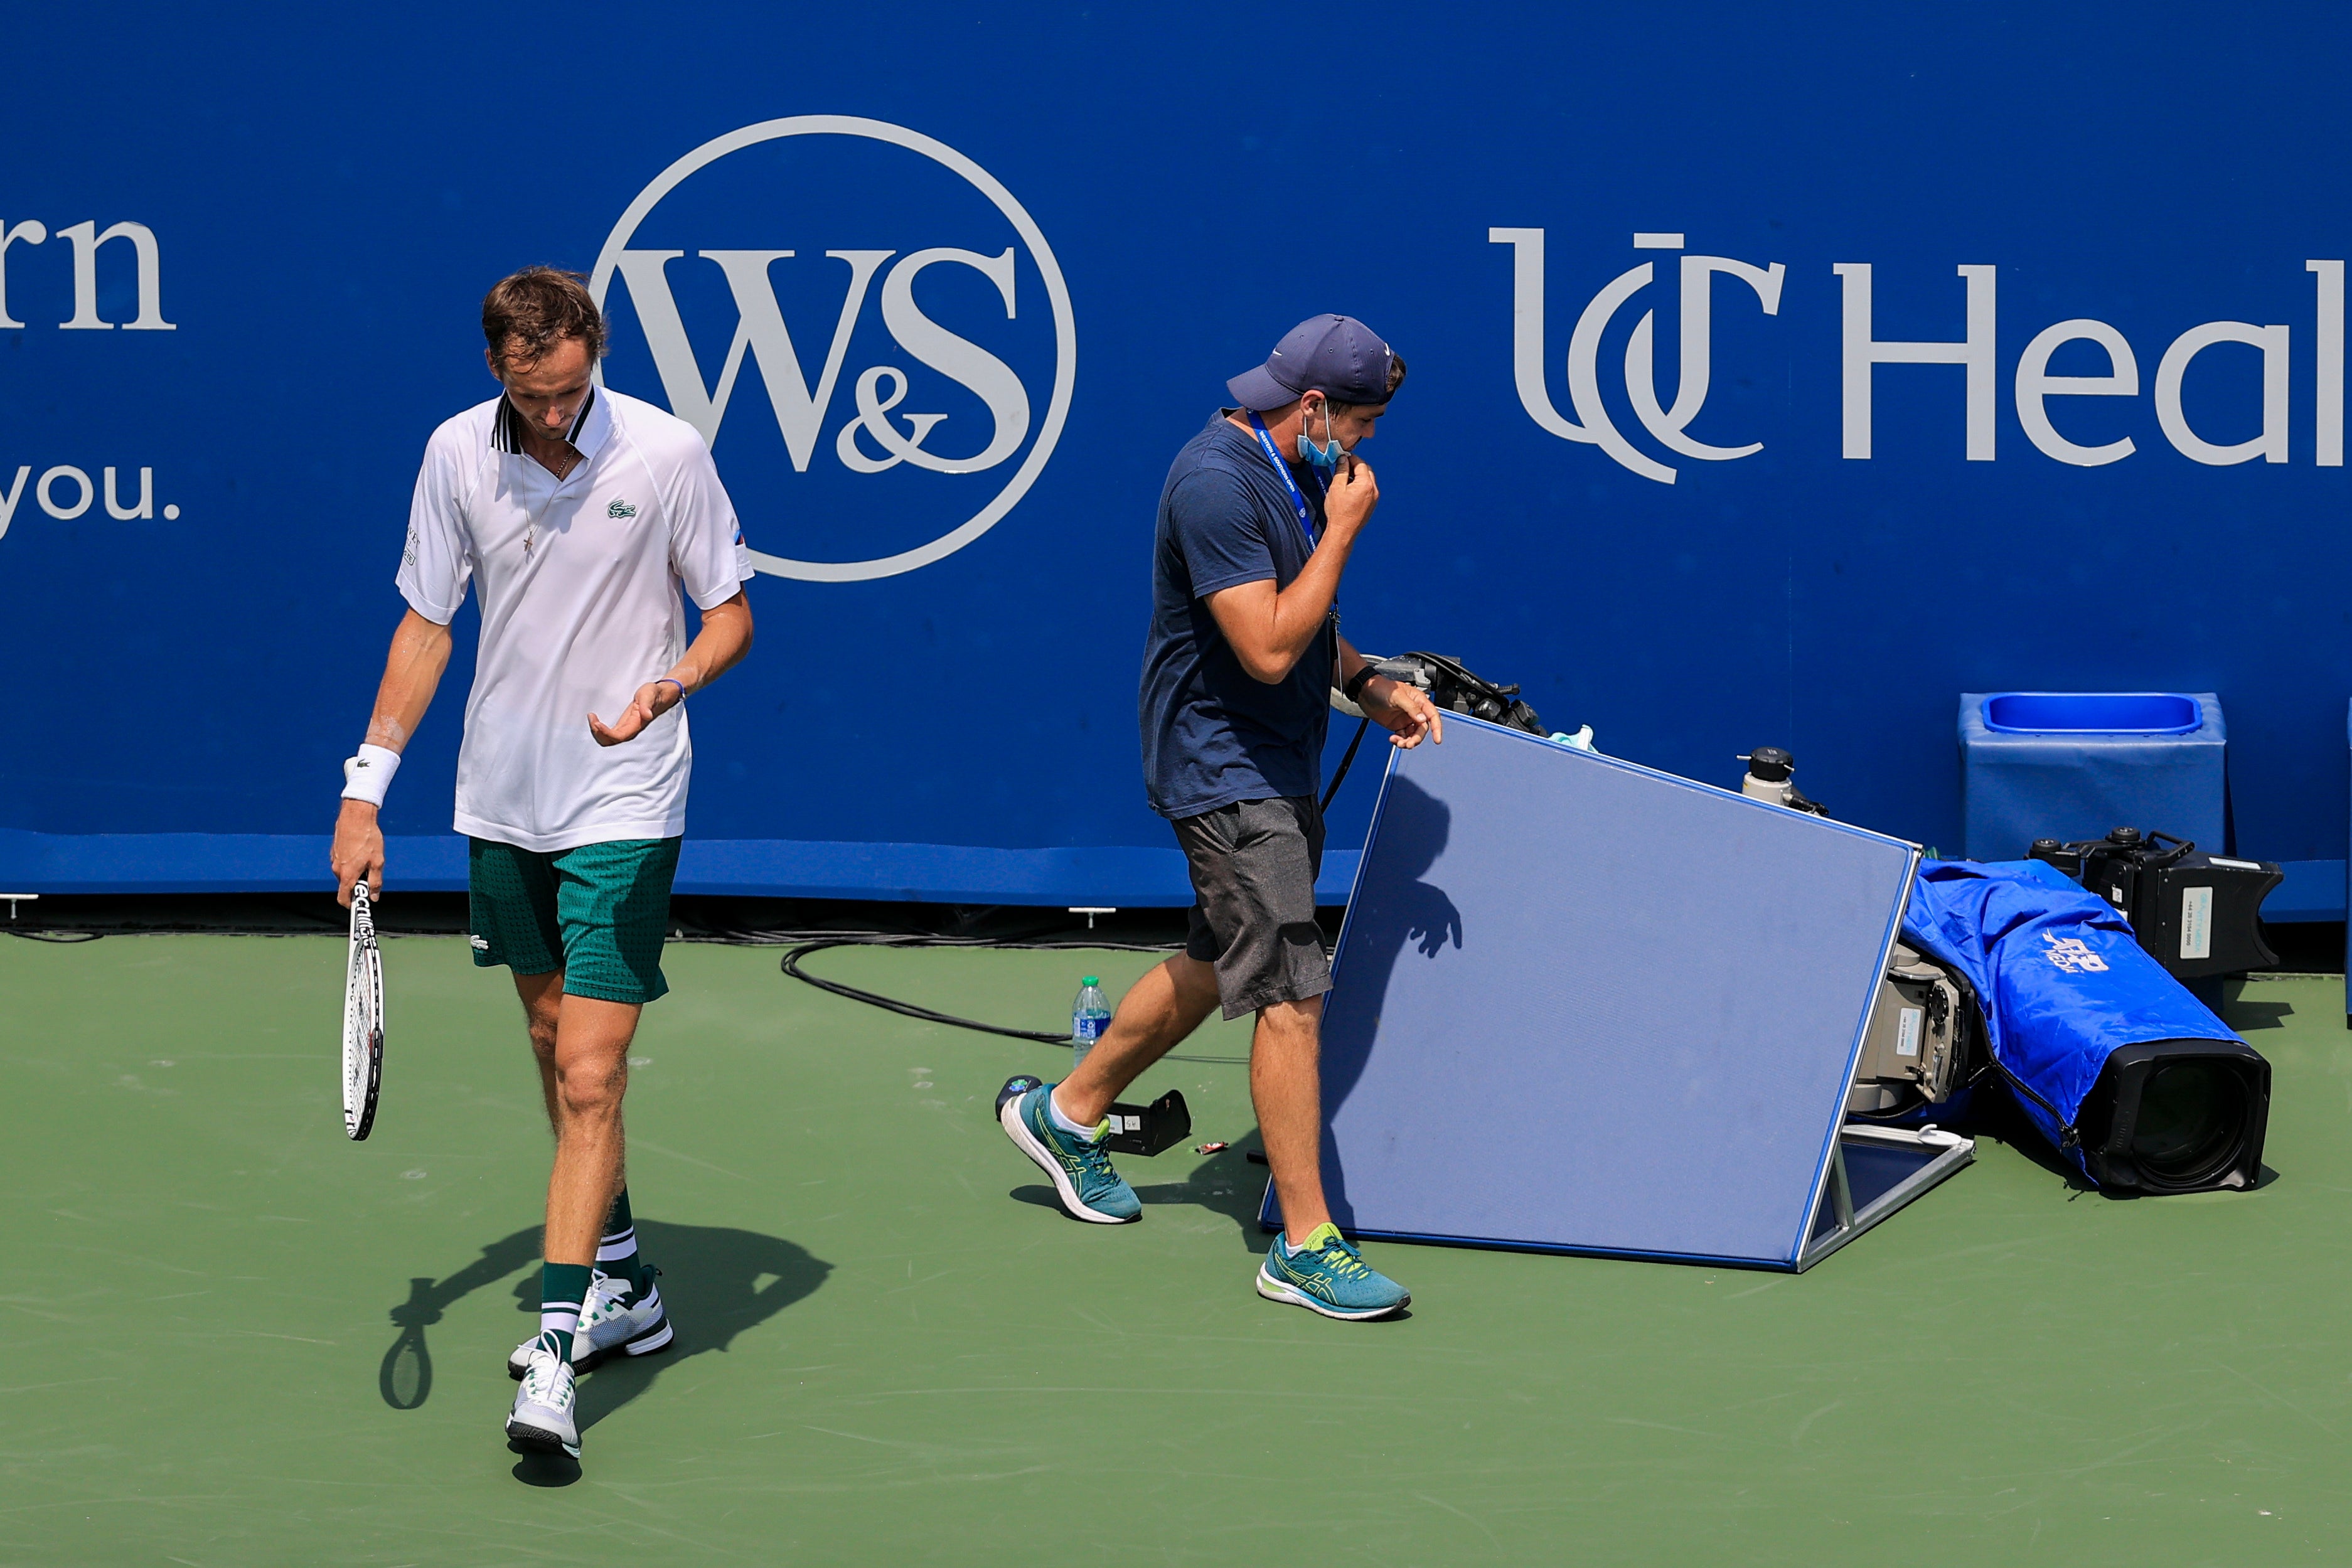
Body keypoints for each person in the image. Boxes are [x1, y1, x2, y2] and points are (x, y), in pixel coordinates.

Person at [328, 267, 754, 1458]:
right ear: (497, 370)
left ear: (592, 357)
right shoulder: (457, 455)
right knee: (547, 1035)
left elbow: (729, 612)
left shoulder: (666, 454)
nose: (557, 413)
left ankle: (558, 1358)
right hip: (504, 803)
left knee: (588, 1075)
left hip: (627, 796)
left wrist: (669, 684)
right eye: (536, 394)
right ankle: (625, 1277)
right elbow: (426, 625)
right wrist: (365, 794)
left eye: (573, 389)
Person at [998, 314, 1442, 1320]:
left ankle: (1064, 1113)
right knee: (1289, 988)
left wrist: (1371, 686)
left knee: (1215, 962)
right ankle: (1305, 1244)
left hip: (1278, 762)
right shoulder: (1214, 483)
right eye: (1361, 424)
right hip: (1223, 768)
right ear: (1314, 407)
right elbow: (1269, 648)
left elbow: (1313, 628)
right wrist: (1340, 533)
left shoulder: (1288, 473)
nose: (1365, 445)